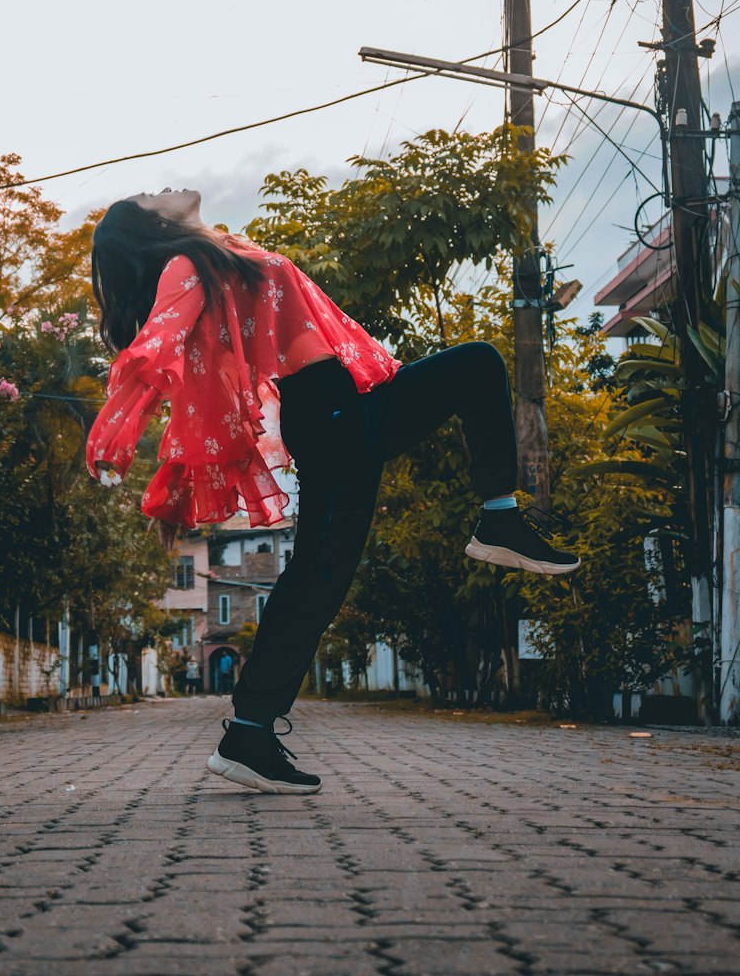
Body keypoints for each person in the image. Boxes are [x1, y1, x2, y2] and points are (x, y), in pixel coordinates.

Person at [87, 188, 579, 796]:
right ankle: (247, 734)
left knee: (321, 577)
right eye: (150, 196)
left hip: (344, 408)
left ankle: (249, 733)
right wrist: (118, 428)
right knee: (320, 574)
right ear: (156, 222)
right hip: (328, 416)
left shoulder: (224, 253)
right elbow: (156, 344)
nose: (162, 189)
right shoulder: (188, 267)